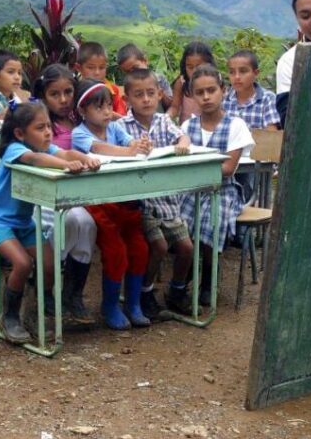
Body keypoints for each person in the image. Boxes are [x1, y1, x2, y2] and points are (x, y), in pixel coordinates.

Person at [0, 100, 99, 343]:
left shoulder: (44, 147)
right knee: (23, 263)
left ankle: (34, 311)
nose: (47, 133)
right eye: (40, 128)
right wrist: (66, 165)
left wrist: (86, 159)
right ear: (20, 133)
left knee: (49, 263)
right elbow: (35, 160)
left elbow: (66, 152)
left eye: (48, 126)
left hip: (23, 223)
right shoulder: (15, 149)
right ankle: (10, 316)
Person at [71, 79, 153, 329]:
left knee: (140, 249)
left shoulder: (116, 127)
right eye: (99, 107)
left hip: (126, 202)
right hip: (99, 205)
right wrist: (128, 152)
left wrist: (139, 145)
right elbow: (98, 149)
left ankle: (133, 303)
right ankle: (110, 306)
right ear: (83, 111)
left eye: (108, 105)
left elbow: (129, 142)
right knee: (115, 251)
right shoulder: (79, 133)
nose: (107, 112)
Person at [119, 69, 195, 320]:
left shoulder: (163, 121)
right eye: (138, 95)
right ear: (127, 98)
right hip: (142, 200)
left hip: (168, 200)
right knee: (159, 246)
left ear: (159, 94)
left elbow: (181, 136)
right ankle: (144, 292)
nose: (146, 100)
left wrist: (183, 143)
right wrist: (132, 148)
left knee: (186, 248)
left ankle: (176, 290)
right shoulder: (121, 126)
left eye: (151, 94)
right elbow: (121, 152)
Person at [180, 64, 254, 305]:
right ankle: (185, 272)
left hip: (224, 190)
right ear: (191, 96)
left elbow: (227, 169)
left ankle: (210, 276)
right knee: (181, 218)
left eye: (211, 90)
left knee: (213, 218)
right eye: (199, 92)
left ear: (222, 90)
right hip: (192, 190)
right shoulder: (187, 128)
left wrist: (195, 165)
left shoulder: (236, 125)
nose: (206, 97)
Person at [31, 64, 97, 325]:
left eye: (68, 92)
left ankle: (73, 294)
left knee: (87, 224)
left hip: (76, 196)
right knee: (70, 221)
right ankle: (45, 289)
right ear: (43, 96)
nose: (63, 99)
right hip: (43, 197)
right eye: (54, 94)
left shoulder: (82, 120)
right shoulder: (38, 125)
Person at [224, 50, 281, 204]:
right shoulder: (224, 101)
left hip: (256, 162)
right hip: (229, 159)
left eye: (243, 71)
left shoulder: (266, 99)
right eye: (232, 72)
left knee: (246, 186)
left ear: (255, 73)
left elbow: (271, 133)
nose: (237, 77)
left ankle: (240, 211)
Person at [167, 41, 218, 125]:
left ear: (209, 65)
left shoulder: (215, 83)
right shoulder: (181, 83)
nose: (194, 71)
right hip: (186, 131)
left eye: (199, 67)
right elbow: (174, 107)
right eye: (190, 67)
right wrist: (165, 118)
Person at [74, 42, 126, 118]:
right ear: (78, 68)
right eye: (91, 68)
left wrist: (109, 114)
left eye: (101, 68)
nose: (97, 73)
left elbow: (122, 118)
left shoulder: (112, 90)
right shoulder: (75, 91)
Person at [116, 43, 173, 110]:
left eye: (135, 68)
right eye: (128, 72)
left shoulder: (160, 79)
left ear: (145, 61)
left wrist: (158, 91)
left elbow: (171, 105)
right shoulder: (130, 86)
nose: (133, 74)